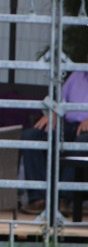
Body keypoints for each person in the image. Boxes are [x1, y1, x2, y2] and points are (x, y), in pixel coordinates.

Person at [19, 70, 88, 214]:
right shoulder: (77, 74)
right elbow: (59, 100)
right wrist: (54, 113)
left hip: (86, 130)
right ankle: (39, 199)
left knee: (79, 143)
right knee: (31, 136)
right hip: (67, 125)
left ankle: (63, 200)